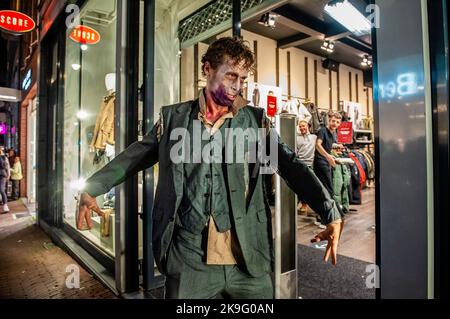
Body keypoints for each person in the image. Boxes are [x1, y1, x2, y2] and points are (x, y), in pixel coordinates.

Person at [78, 37, 343, 299]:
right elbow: (135, 157)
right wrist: (93, 187)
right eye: (230, 76)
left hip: (248, 258)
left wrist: (330, 211)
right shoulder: (174, 119)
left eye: (242, 79)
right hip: (190, 259)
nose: (237, 86)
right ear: (207, 69)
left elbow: (291, 166)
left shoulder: (256, 121)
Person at [314, 112, 344, 198]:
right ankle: (332, 209)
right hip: (320, 161)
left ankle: (325, 208)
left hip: (326, 161)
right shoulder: (322, 130)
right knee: (329, 188)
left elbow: (328, 145)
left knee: (324, 187)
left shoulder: (334, 133)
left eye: (337, 122)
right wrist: (328, 156)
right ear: (329, 120)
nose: (335, 124)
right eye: (333, 121)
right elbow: (318, 145)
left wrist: (337, 148)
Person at [296, 119, 317, 216]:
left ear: (308, 126)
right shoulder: (296, 138)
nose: (301, 128)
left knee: (311, 186)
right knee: (300, 186)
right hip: (300, 164)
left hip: (310, 165)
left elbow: (322, 145)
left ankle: (309, 205)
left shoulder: (314, 137)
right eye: (300, 126)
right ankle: (303, 204)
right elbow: (295, 152)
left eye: (303, 126)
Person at [0, 147, 10, 212]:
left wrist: (8, 175)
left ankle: (5, 205)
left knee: (2, 189)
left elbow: (7, 166)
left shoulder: (4, 157)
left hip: (2, 175)